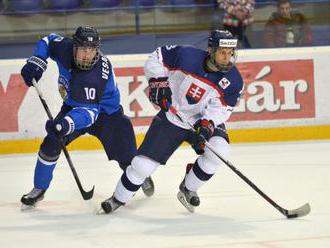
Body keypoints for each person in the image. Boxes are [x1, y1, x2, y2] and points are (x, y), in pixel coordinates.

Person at [99, 30, 244, 214]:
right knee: (142, 166)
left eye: (231, 53)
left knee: (220, 152)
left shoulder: (234, 80)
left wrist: (208, 123)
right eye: (223, 52)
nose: (227, 57)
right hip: (171, 118)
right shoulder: (186, 56)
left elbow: (222, 108)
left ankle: (188, 187)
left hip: (201, 120)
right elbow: (156, 57)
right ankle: (117, 199)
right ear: (211, 50)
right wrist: (158, 82)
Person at [20, 26, 154, 209]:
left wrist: (64, 125)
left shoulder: (93, 76)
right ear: (74, 47)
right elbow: (48, 40)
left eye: (91, 50)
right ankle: (39, 188)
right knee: (51, 143)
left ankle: (140, 175)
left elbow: (89, 114)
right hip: (74, 105)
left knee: (127, 157)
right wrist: (37, 61)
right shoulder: (64, 48)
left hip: (107, 115)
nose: (87, 55)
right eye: (83, 49)